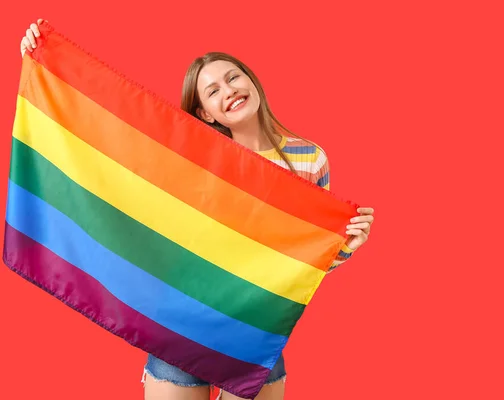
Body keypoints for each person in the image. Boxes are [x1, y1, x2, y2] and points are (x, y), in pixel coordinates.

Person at [19, 19, 375, 400]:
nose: (230, 91)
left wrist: (346, 247)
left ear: (252, 82)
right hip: (183, 325)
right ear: (205, 113)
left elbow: (306, 264)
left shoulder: (308, 160)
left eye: (234, 78)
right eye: (213, 90)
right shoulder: (193, 161)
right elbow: (106, 137)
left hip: (255, 333)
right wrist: (44, 62)